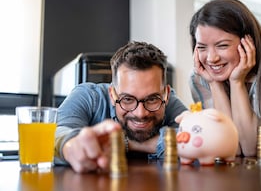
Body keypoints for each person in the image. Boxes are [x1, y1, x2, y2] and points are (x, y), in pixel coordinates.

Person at [189, 0, 261, 157]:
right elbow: (229, 148)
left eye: (222, 45)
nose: (211, 58)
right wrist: (214, 84)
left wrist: (237, 82)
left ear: (248, 42)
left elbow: (251, 149)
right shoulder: (200, 79)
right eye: (202, 47)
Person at [54, 41, 187, 173]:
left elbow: (197, 137)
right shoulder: (87, 96)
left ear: (167, 95)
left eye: (152, 99)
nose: (140, 113)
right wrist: (69, 146)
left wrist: (122, 143)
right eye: (127, 99)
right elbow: (57, 133)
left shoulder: (167, 101)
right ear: (112, 95)